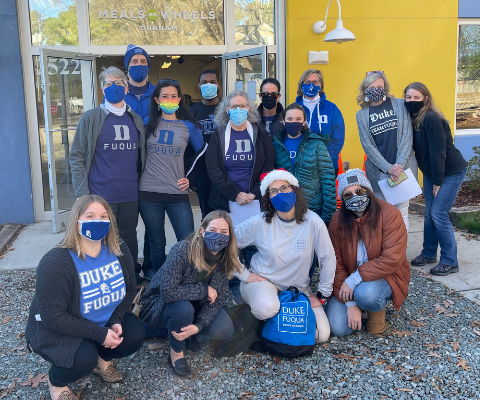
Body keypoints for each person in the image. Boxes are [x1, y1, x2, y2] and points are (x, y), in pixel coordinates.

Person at [25, 195, 144, 400]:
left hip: (102, 320)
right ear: (76, 221)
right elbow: (53, 317)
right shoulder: (55, 262)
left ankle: (102, 360)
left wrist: (115, 320)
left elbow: (130, 289)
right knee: (83, 359)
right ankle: (56, 382)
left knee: (134, 336)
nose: (97, 221)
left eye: (103, 216)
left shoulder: (119, 249)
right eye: (90, 216)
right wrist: (99, 334)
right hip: (60, 327)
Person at [233, 169, 336, 343]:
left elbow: (328, 257)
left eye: (284, 188)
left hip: (298, 290)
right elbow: (228, 243)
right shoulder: (259, 222)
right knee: (266, 308)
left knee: (321, 335)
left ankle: (271, 325)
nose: (280, 193)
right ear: (269, 198)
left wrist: (322, 295)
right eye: (273, 191)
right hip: (264, 283)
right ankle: (263, 315)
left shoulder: (313, 221)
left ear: (294, 190)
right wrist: (243, 274)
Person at [140, 211, 243, 378]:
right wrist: (203, 290)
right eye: (213, 230)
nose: (218, 236)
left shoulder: (225, 258)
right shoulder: (182, 250)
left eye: (224, 232)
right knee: (183, 309)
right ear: (202, 231)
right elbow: (167, 293)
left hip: (195, 305)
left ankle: (184, 328)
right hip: (161, 303)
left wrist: (199, 325)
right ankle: (176, 353)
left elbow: (217, 299)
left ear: (230, 236)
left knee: (225, 330)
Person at [70, 66, 145, 274]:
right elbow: (76, 156)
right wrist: (82, 195)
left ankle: (129, 280)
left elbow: (141, 158)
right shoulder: (91, 118)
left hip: (129, 194)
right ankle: (103, 279)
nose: (114, 88)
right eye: (108, 84)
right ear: (102, 89)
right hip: (100, 196)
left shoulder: (135, 120)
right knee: (99, 241)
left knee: (128, 240)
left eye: (119, 83)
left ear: (127, 88)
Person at [325, 169, 410, 336]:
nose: (355, 197)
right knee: (338, 328)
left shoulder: (390, 214)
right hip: (349, 279)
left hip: (385, 276)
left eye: (359, 191)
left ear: (369, 191)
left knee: (367, 295)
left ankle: (375, 310)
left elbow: (392, 259)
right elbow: (335, 262)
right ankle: (358, 305)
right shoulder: (337, 220)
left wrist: (354, 280)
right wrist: (350, 304)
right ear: (342, 199)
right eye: (348, 195)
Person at [139, 79, 205, 273]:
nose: (170, 99)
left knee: (187, 241)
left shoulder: (188, 126)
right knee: (157, 243)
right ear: (157, 100)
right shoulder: (146, 124)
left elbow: (202, 155)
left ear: (179, 99)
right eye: (165, 96)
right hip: (149, 192)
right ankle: (161, 283)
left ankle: (184, 277)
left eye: (173, 96)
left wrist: (191, 179)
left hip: (177, 192)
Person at [404, 82, 468, 276]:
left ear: (426, 99)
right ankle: (429, 253)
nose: (412, 101)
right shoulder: (413, 118)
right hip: (433, 172)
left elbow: (438, 153)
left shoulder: (430, 118)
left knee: (439, 214)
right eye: (409, 97)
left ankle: (450, 261)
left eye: (417, 97)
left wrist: (438, 182)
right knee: (430, 214)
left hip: (449, 171)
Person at [355, 71, 418, 232]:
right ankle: (386, 253)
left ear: (385, 88)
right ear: (365, 90)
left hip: (401, 169)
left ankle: (400, 254)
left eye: (379, 86)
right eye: (372, 87)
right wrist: (388, 167)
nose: (376, 89)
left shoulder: (399, 104)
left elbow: (406, 136)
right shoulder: (361, 115)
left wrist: (398, 166)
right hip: (380, 172)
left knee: (401, 212)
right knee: (383, 214)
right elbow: (368, 146)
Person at [206, 89, 275, 213]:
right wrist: (236, 194)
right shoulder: (218, 135)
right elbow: (213, 169)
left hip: (256, 201)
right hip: (225, 201)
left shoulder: (261, 134)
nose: (238, 110)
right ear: (227, 110)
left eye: (242, 106)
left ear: (249, 108)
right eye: (234, 106)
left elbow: (268, 166)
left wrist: (254, 193)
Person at [273, 103, 337, 225]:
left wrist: (327, 216)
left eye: (298, 119)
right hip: (285, 210)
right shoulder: (276, 145)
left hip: (313, 209)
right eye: (289, 119)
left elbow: (328, 180)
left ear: (304, 122)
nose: (293, 122)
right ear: (283, 121)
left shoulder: (316, 144)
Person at [124, 44, 156, 281]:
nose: (139, 66)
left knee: (152, 221)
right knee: (128, 224)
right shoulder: (118, 94)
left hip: (155, 166)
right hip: (127, 168)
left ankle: (151, 266)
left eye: (142, 61)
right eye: (134, 62)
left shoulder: (158, 93)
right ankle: (130, 266)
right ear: (127, 67)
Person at [295, 69, 345, 175]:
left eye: (315, 82)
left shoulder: (332, 108)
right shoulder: (294, 109)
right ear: (301, 85)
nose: (311, 85)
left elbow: (338, 137)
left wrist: (325, 158)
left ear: (321, 84)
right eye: (307, 82)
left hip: (327, 166)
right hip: (300, 166)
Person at [189, 69, 221, 218]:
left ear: (218, 85)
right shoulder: (192, 112)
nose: (208, 85)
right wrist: (193, 176)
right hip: (203, 172)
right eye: (204, 82)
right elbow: (188, 147)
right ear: (199, 86)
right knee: (207, 216)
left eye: (212, 82)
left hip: (224, 171)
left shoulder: (227, 109)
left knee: (225, 214)